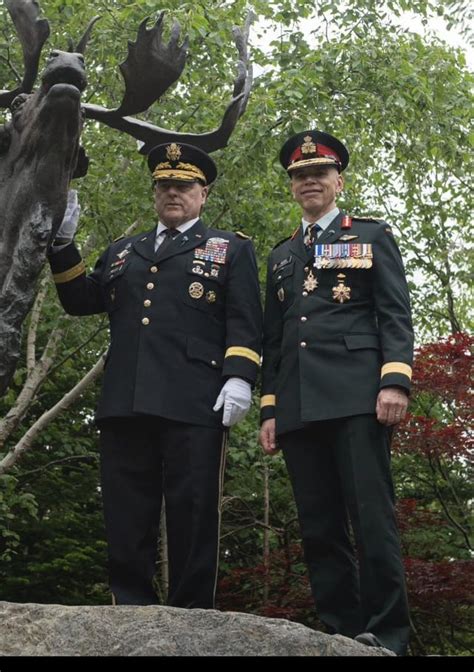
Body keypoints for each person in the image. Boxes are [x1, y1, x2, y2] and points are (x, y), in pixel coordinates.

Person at [49, 142, 262, 608]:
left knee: (193, 508)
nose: (172, 192)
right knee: (126, 511)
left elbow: (245, 320)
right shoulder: (125, 250)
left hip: (195, 398)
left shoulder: (229, 248)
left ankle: (191, 612)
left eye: (183, 185)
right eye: (164, 185)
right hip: (126, 398)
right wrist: (63, 246)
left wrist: (240, 376)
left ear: (202, 194)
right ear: (154, 193)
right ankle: (130, 605)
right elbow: (81, 300)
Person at [259, 130, 413, 655]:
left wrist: (395, 380)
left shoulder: (369, 234)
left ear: (337, 180)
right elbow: (274, 338)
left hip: (356, 396)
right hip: (299, 404)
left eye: (318, 174)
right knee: (319, 526)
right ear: (293, 187)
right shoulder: (281, 255)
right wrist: (270, 407)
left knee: (371, 518)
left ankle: (388, 633)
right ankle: (341, 632)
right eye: (300, 176)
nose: (309, 182)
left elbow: (394, 312)